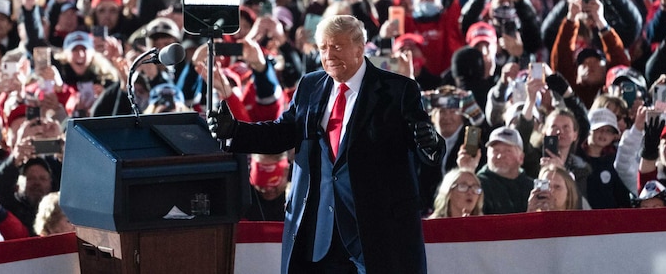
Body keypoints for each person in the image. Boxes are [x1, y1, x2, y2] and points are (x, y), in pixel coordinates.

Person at [208, 14, 444, 273]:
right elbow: (282, 133)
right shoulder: (310, 85)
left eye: (337, 47)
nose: (329, 54)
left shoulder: (398, 90)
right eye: (323, 48)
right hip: (317, 234)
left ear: (360, 47)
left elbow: (426, 148)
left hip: (376, 235)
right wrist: (235, 131)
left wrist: (430, 142)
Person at [475, 126, 534, 214]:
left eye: (508, 151)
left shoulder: (531, 188)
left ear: (521, 158)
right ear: (487, 154)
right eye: (495, 150)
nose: (500, 156)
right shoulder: (477, 185)